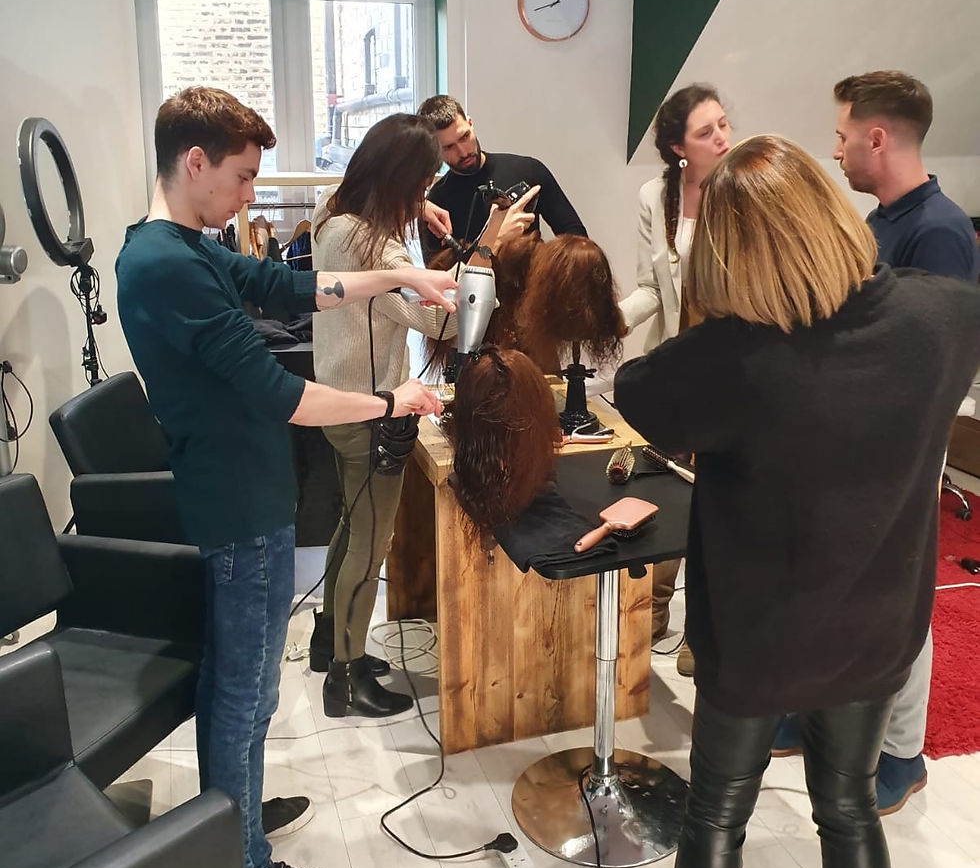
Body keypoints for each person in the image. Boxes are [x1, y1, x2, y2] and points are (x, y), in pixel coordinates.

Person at [607, 135, 980, 868]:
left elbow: (636, 392)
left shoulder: (734, 357)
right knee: (849, 811)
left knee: (716, 818)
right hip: (876, 625)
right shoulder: (943, 316)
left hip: (758, 636)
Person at [116, 87, 456, 868]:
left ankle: (231, 817)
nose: (248, 197)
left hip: (248, 491)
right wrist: (393, 400)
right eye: (240, 177)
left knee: (249, 688)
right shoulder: (164, 265)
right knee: (242, 690)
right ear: (194, 161)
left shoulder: (183, 246)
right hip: (238, 504)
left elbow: (290, 285)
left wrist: (400, 272)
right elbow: (284, 395)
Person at [772, 72, 980, 812]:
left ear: (878, 137)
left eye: (841, 136)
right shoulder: (879, 221)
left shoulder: (940, 232)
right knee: (836, 588)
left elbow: (939, 357)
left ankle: (902, 752)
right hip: (851, 442)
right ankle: (816, 710)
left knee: (898, 599)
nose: (835, 151)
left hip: (903, 449)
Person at [310, 113, 537, 717]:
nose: (426, 193)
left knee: (352, 525)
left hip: (340, 401)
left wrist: (418, 212)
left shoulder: (332, 215)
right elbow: (440, 319)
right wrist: (490, 245)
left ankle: (331, 641)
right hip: (369, 410)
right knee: (371, 543)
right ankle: (346, 679)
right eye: (421, 182)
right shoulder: (369, 246)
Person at [618, 84, 731, 674]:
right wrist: (608, 322)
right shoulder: (654, 195)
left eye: (723, 124)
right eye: (707, 131)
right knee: (662, 495)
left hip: (731, 377)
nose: (723, 138)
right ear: (677, 148)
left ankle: (701, 631)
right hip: (672, 369)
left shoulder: (745, 190)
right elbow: (650, 288)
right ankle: (652, 613)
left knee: (719, 504)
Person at [415, 94, 586, 263]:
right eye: (448, 147)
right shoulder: (435, 207)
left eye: (464, 137)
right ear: (434, 150)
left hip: (533, 280)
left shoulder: (529, 170)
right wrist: (495, 238)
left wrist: (547, 269)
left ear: (470, 123)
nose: (463, 152)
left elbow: (576, 237)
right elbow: (439, 274)